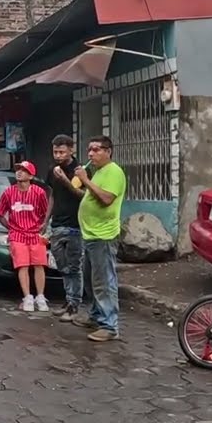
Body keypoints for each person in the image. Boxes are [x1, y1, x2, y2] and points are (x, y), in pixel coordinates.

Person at [73, 135, 127, 342]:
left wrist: (85, 180)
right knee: (90, 279)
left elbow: (106, 199)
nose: (91, 154)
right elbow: (90, 197)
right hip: (90, 234)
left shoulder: (114, 172)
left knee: (104, 281)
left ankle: (109, 325)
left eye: (96, 149)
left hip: (103, 235)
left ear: (108, 151)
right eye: (89, 149)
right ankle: (96, 316)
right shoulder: (98, 173)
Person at [0, 161, 50, 312]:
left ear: (31, 175)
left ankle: (40, 297)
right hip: (17, 235)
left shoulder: (39, 193)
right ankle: (27, 298)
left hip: (35, 234)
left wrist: (43, 228)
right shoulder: (9, 193)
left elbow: (46, 213)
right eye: (18, 169)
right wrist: (10, 228)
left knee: (39, 265)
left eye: (24, 170)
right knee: (22, 266)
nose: (19, 172)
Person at [45, 135, 86, 321]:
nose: (58, 156)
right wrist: (46, 220)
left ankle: (73, 304)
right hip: (57, 224)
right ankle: (69, 298)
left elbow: (82, 196)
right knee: (61, 265)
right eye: (55, 152)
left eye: (62, 152)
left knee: (74, 266)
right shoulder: (53, 171)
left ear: (71, 150)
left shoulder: (80, 171)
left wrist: (65, 180)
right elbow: (52, 196)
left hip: (75, 225)